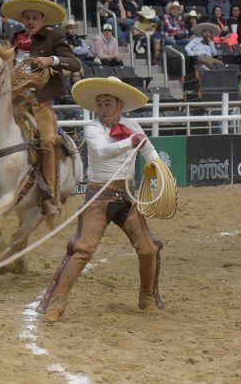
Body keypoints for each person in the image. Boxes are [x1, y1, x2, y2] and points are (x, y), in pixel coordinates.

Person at [40, 76, 165, 323]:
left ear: (119, 104)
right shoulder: (94, 128)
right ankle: (57, 303)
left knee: (148, 248)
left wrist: (159, 169)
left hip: (127, 197)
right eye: (99, 104)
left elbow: (151, 154)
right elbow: (101, 151)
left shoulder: (134, 126)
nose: (102, 109)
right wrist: (132, 142)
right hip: (99, 197)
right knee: (83, 249)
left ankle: (147, 297)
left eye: (107, 103)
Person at [2, 0, 81, 215]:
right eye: (26, 17)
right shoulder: (14, 38)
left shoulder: (54, 38)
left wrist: (52, 60)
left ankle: (49, 195)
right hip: (12, 102)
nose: (30, 21)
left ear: (42, 19)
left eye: (34, 17)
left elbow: (75, 63)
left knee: (47, 141)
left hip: (39, 103)